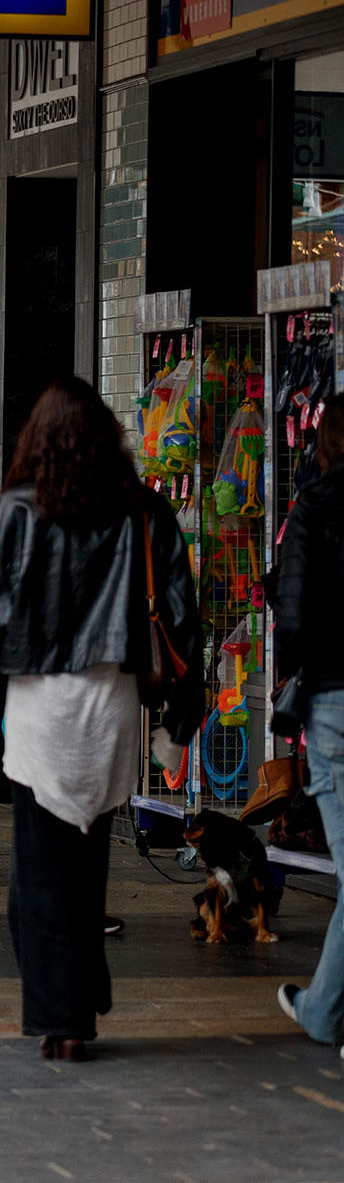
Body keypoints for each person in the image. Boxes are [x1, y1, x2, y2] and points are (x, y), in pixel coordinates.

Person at [0, 378, 203, 1061]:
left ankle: (64, 1018)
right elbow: (183, 616)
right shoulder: (144, 510)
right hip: (114, 706)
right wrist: (181, 721)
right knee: (87, 867)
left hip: (40, 707)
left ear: (36, 439)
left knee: (38, 874)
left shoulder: (19, 511)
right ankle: (82, 992)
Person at [275, 399, 344, 1065]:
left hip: (334, 699)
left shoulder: (313, 508)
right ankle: (323, 1005)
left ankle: (326, 1007)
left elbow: (291, 620)